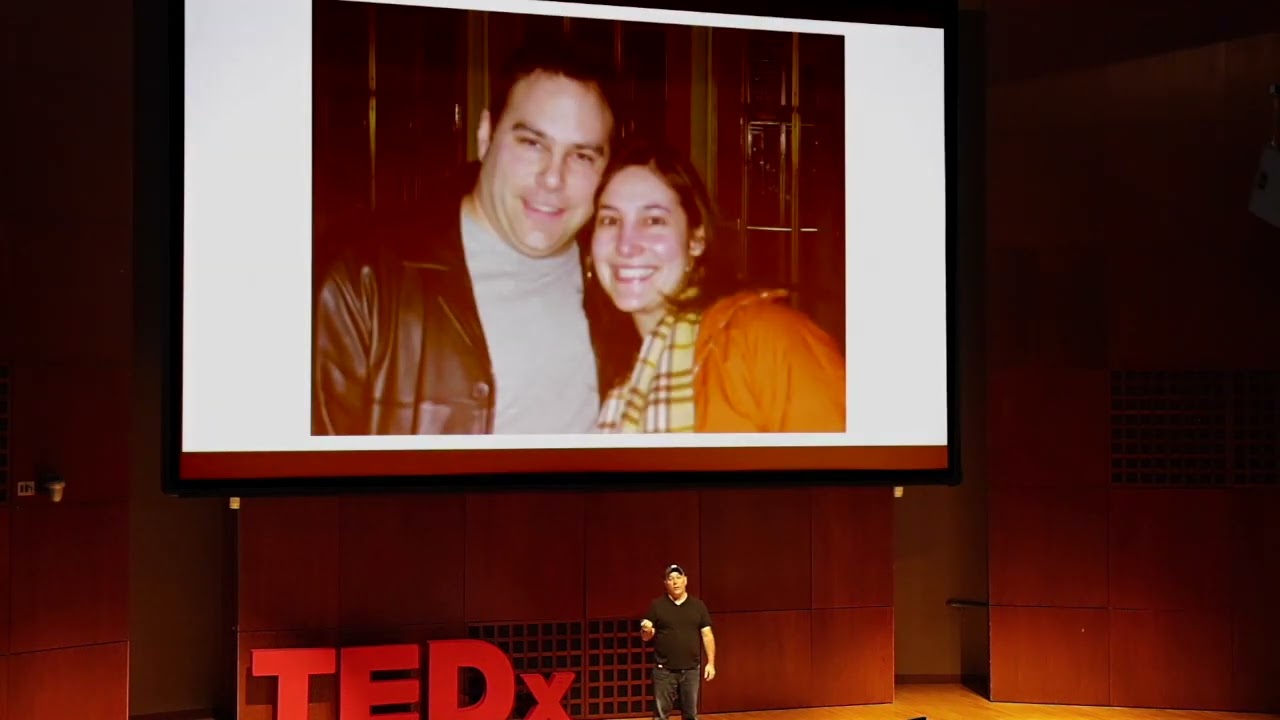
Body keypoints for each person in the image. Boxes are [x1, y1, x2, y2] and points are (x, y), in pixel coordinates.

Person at [312, 38, 620, 435]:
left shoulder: (625, 284)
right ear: (485, 135)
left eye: (581, 156)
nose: (552, 178)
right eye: (532, 144)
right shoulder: (362, 284)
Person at [587, 139, 846, 433]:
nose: (626, 245)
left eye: (653, 220)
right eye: (610, 220)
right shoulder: (605, 374)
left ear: (696, 239)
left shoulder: (768, 340)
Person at [640, 564, 715, 720]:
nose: (675, 582)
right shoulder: (657, 605)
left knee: (691, 715)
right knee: (661, 716)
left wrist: (711, 663)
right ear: (665, 583)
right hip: (664, 672)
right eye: (670, 579)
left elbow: (707, 635)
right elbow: (646, 636)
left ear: (685, 580)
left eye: (678, 578)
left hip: (691, 671)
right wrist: (646, 630)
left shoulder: (698, 606)